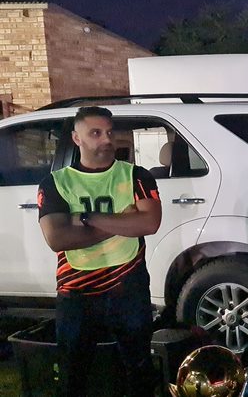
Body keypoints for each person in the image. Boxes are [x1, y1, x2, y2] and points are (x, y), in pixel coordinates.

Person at [37, 106, 162, 397]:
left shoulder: (137, 176)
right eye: (95, 133)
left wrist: (85, 218)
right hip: (76, 291)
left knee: (139, 370)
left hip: (128, 285)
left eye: (109, 132)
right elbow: (57, 238)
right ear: (76, 138)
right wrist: (122, 222)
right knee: (73, 373)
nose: (106, 139)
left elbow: (150, 223)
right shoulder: (55, 183)